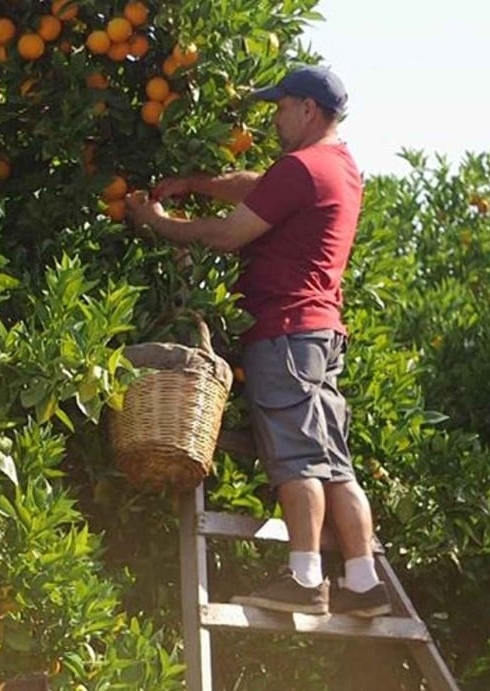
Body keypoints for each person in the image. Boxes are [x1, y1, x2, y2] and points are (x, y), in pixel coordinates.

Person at [125, 65, 389, 618]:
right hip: (320, 334)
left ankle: (305, 577)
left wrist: (160, 222)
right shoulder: (338, 166)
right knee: (333, 462)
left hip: (285, 334)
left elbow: (227, 234)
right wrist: (196, 183)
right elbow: (259, 186)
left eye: (281, 107)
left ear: (308, 110)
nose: (274, 118)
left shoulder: (303, 167)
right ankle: (364, 583)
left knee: (298, 460)